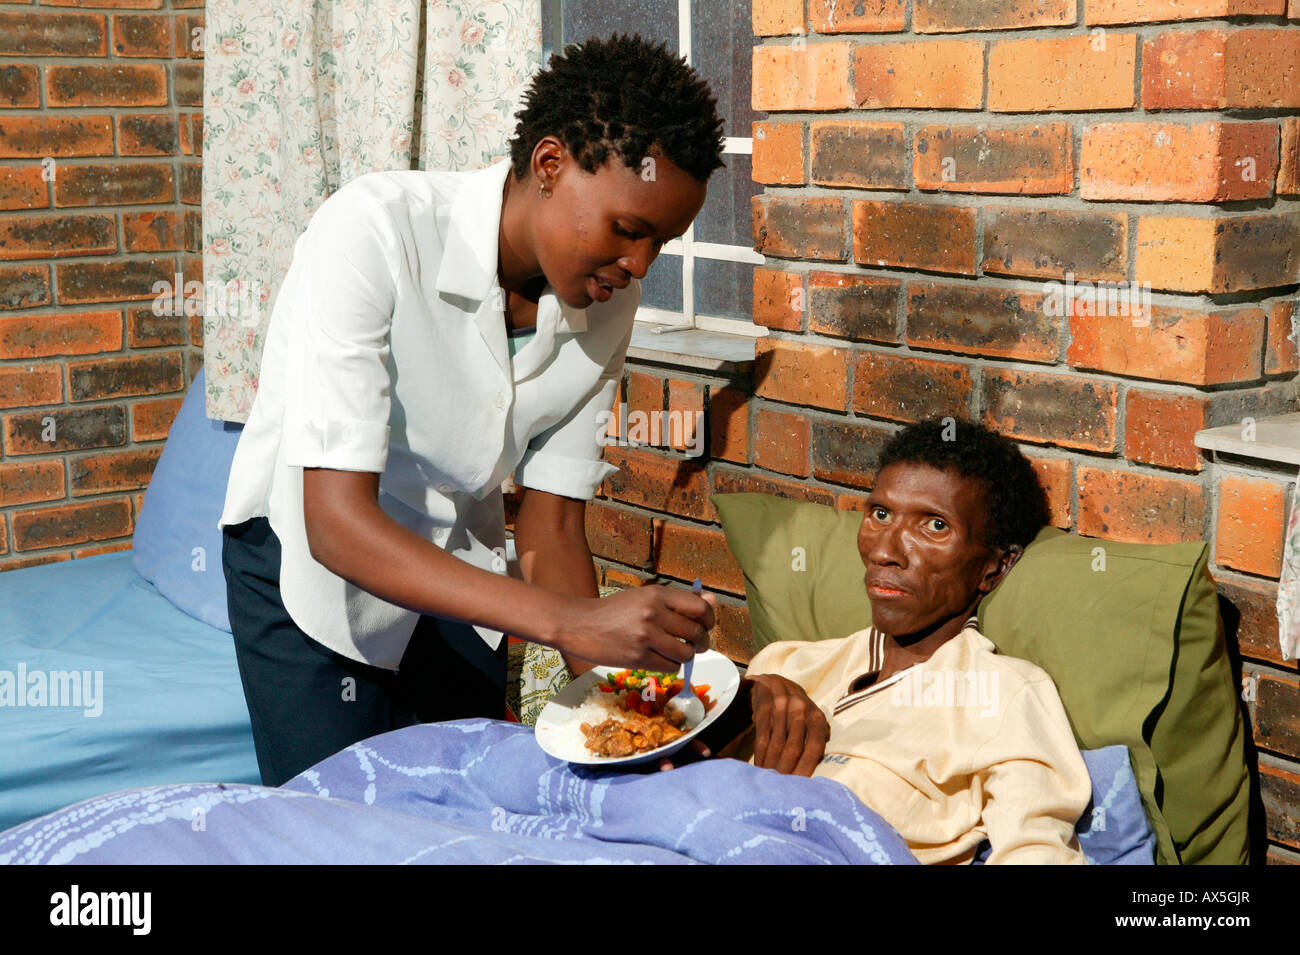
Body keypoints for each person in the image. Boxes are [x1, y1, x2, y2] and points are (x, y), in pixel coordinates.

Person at [218, 34, 726, 786]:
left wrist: (630, 709)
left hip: (463, 571)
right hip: (315, 569)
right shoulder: (372, 232)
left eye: (663, 243)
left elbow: (551, 527)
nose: (641, 266)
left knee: (477, 813)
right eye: (629, 229)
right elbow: (335, 522)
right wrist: (564, 621)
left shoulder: (606, 299)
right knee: (336, 833)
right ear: (550, 166)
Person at [704, 419, 1092, 864]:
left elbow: (1036, 851)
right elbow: (666, 772)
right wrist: (743, 698)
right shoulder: (788, 664)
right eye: (880, 514)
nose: (886, 550)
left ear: (995, 567)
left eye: (934, 526)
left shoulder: (1001, 694)